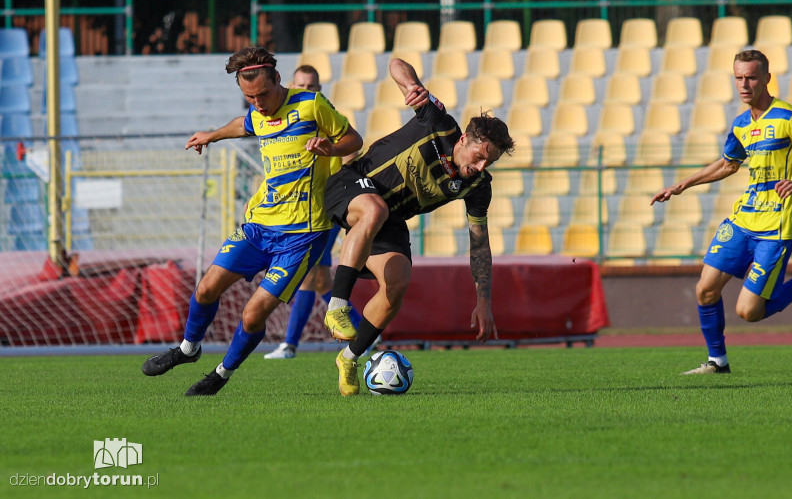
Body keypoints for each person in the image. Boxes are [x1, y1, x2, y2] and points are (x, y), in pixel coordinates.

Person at [141, 48, 362, 395]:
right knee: (205, 289)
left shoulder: (311, 105)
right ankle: (188, 349)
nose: (258, 103)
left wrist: (330, 149)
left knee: (252, 315)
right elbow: (243, 125)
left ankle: (221, 375)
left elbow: (354, 139)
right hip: (259, 225)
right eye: (249, 97)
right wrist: (211, 135)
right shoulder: (257, 113)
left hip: (303, 235)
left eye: (263, 94)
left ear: (278, 80)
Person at [321, 57, 515, 395]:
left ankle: (351, 356)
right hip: (352, 185)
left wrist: (483, 299)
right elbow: (397, 64)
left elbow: (479, 243)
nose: (481, 166)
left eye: (490, 162)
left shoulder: (478, 186)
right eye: (479, 156)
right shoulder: (438, 124)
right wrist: (412, 86)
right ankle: (337, 306)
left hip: (387, 217)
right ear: (463, 140)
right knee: (374, 208)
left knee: (397, 284)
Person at [651, 49, 792, 375]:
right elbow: (728, 164)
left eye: (751, 77)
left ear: (767, 78)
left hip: (775, 227)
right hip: (742, 219)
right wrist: (682, 185)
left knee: (749, 312)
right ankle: (717, 362)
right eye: (738, 78)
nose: (744, 84)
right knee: (705, 289)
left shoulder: (787, 118)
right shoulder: (741, 123)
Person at [264, 64, 365, 359]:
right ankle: (366, 335)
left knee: (308, 276)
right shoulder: (289, 119)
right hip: (299, 207)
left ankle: (290, 344)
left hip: (323, 207)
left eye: (313, 87)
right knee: (319, 280)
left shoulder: (322, 114)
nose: (308, 91)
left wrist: (336, 176)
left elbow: (352, 147)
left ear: (319, 90)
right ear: (292, 87)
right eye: (302, 86)